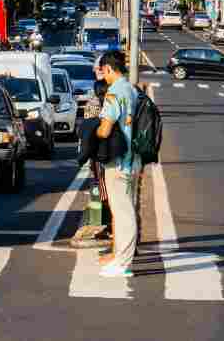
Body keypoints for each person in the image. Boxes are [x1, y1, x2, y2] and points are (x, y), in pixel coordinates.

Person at [93, 50, 141, 278]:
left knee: (123, 213)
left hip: (118, 162)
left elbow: (106, 128)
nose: (103, 76)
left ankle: (123, 262)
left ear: (110, 69)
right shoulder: (131, 89)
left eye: (103, 71)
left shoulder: (113, 93)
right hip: (133, 160)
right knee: (127, 209)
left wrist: (95, 133)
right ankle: (121, 258)